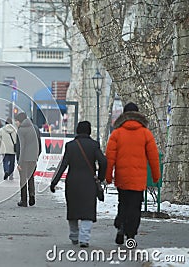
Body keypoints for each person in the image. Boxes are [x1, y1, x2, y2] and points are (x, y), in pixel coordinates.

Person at [105, 102, 160, 245]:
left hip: (122, 178)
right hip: (138, 179)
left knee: (123, 203)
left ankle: (121, 226)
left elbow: (110, 157)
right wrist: (156, 176)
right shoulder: (145, 133)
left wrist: (108, 176)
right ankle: (131, 234)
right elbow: (153, 157)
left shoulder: (116, 133)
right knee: (135, 207)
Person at [50, 121, 107, 248]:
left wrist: (54, 182)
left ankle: (74, 236)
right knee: (87, 210)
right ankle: (84, 238)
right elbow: (103, 161)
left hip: (73, 182)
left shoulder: (70, 146)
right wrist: (100, 177)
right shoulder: (94, 145)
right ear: (89, 131)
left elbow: (63, 165)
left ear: (77, 130)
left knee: (73, 209)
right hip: (89, 183)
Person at [15, 113, 41, 207]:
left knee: (23, 180)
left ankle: (24, 200)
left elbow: (21, 147)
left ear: (20, 121)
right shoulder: (35, 128)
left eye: (16, 121)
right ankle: (32, 195)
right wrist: (36, 156)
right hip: (33, 158)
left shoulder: (21, 130)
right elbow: (39, 144)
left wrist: (19, 162)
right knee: (31, 177)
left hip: (24, 159)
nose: (16, 123)